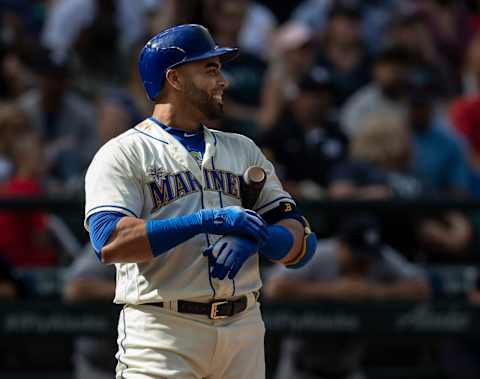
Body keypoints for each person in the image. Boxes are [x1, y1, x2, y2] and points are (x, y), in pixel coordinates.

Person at [84, 24, 317, 379]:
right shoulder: (123, 153)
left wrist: (260, 237)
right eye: (210, 69)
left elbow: (303, 242)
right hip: (163, 330)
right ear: (174, 78)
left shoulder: (243, 149)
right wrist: (206, 221)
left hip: (244, 329)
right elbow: (111, 242)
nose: (223, 80)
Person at [264, 215, 430, 379]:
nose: (364, 264)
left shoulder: (380, 256)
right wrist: (331, 290)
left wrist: (374, 291)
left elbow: (421, 287)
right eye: (358, 258)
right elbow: (274, 288)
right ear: (341, 246)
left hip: (348, 369)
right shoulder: (317, 253)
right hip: (301, 368)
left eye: (368, 259)